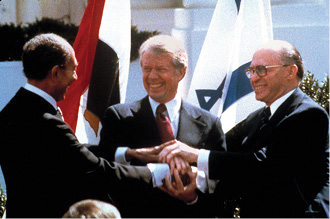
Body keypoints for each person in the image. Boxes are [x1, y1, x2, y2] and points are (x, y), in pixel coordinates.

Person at [159, 40, 329, 218]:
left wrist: (195, 155)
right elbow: (225, 153)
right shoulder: (256, 118)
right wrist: (190, 182)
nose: (254, 78)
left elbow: (263, 167)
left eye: (262, 70)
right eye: (251, 71)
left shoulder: (309, 115)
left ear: (290, 71)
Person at [0, 33, 155, 218]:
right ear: (56, 72)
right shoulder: (46, 121)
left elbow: (66, 151)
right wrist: (155, 173)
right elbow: (92, 169)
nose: (75, 78)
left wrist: (127, 154)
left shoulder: (14, 110)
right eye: (73, 70)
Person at [92, 35, 226, 217]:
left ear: (181, 72)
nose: (152, 76)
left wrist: (191, 198)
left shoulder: (209, 123)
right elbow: (103, 169)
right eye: (147, 69)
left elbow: (221, 184)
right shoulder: (119, 117)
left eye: (161, 69)